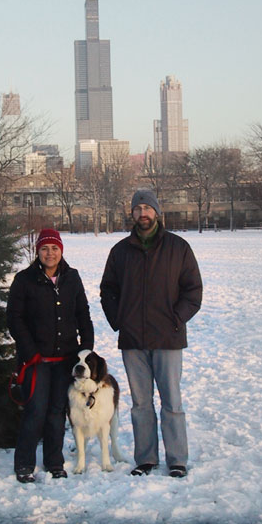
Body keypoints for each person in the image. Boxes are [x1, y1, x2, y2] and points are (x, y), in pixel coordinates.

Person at [100, 189, 202, 478]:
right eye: (137, 208)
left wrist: (177, 318)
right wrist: (119, 319)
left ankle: (177, 460)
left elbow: (193, 290)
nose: (142, 213)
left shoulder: (178, 248)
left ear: (157, 212)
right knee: (141, 404)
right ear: (131, 213)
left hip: (168, 338)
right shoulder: (120, 252)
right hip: (133, 341)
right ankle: (145, 459)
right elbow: (108, 290)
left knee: (172, 402)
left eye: (147, 207)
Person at [7, 228, 94, 483]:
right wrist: (29, 351)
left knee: (57, 411)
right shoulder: (24, 280)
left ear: (61, 250)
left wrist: (85, 350)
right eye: (45, 248)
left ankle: (54, 462)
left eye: (54, 248)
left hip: (65, 360)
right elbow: (14, 318)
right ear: (38, 251)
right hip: (36, 360)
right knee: (35, 410)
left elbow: (83, 315)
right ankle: (24, 463)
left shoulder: (72, 277)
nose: (50, 253)